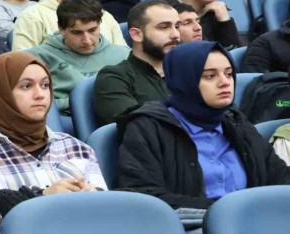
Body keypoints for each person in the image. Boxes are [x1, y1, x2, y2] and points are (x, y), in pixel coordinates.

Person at [116, 41, 290, 230]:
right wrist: (224, 212)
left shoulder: (236, 121)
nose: (225, 82)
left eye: (229, 74)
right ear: (184, 80)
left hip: (253, 224)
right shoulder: (147, 127)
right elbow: (143, 196)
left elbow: (280, 177)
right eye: (210, 76)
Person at [0, 52, 107, 233]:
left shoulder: (75, 147)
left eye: (45, 85)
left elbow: (106, 207)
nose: (40, 94)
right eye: (26, 86)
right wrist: (42, 198)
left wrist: (90, 197)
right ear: (1, 94)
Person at [27, 0, 129, 112]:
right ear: (61, 29)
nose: (87, 40)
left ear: (99, 25)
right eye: (77, 33)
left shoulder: (124, 55)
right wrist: (69, 103)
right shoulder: (37, 57)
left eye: (92, 30)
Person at [93, 0, 181, 126]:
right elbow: (138, 126)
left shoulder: (186, 71)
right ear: (137, 35)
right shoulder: (114, 78)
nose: (176, 34)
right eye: (164, 27)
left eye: (177, 26)